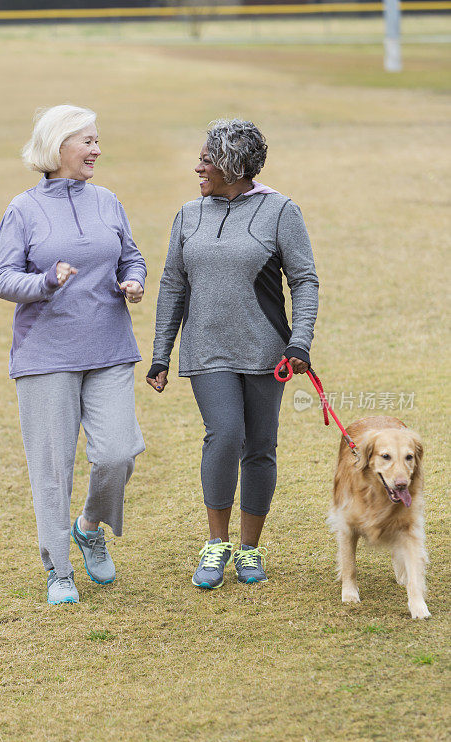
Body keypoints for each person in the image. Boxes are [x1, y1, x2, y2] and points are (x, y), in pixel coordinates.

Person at [147, 119, 319, 589]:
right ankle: (216, 544)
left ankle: (249, 549)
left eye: (205, 160)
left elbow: (303, 281)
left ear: (231, 165)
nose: (196, 167)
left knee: (260, 446)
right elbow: (172, 284)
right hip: (207, 349)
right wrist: (161, 353)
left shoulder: (280, 211)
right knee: (223, 435)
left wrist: (299, 341)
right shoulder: (188, 214)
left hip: (269, 353)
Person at [0, 104, 146, 605]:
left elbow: (131, 253)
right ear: (59, 147)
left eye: (97, 140)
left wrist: (134, 279)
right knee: (52, 469)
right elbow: (3, 278)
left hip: (108, 348)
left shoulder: (107, 200)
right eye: (87, 141)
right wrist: (45, 281)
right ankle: (59, 571)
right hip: (45, 356)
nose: (97, 150)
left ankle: (89, 526)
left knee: (118, 453)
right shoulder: (23, 209)